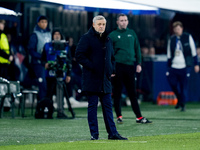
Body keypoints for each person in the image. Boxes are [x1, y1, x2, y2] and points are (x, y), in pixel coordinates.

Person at [75, 15, 127, 140]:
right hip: (92, 78)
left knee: (108, 107)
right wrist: (92, 66)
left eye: (103, 24)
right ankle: (94, 134)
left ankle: (113, 133)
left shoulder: (108, 39)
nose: (101, 26)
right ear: (93, 25)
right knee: (93, 106)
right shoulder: (86, 38)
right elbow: (79, 55)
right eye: (99, 24)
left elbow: (112, 57)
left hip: (105, 79)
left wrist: (111, 69)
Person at [109, 13, 152, 124]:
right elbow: (108, 53)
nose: (124, 22)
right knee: (117, 92)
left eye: (125, 20)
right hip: (118, 66)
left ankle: (139, 117)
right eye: (121, 20)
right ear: (117, 22)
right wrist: (111, 68)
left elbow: (137, 48)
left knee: (132, 93)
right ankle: (119, 116)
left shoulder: (131, 33)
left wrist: (138, 63)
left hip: (130, 66)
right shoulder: (112, 35)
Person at [166, 21, 199, 111]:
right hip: (173, 66)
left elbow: (193, 51)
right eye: (175, 29)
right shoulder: (172, 39)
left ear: (182, 29)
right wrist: (168, 67)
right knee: (173, 84)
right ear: (173, 30)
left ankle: (183, 104)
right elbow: (169, 54)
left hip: (184, 66)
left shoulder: (188, 37)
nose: (177, 31)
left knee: (183, 86)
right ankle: (179, 100)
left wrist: (196, 64)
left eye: (178, 29)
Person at [41, 29, 72, 119]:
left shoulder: (66, 46)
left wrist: (69, 74)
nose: (57, 36)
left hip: (62, 74)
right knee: (49, 93)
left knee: (61, 93)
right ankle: (48, 111)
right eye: (55, 34)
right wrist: (45, 64)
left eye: (58, 34)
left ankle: (60, 111)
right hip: (50, 74)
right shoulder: (47, 46)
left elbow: (69, 61)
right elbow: (42, 59)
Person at [27, 15, 51, 102]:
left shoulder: (49, 34)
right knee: (42, 83)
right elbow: (31, 50)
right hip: (38, 63)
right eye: (42, 22)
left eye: (45, 22)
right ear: (38, 23)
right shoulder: (35, 35)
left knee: (49, 83)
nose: (44, 24)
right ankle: (42, 103)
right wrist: (42, 57)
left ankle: (48, 103)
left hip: (48, 63)